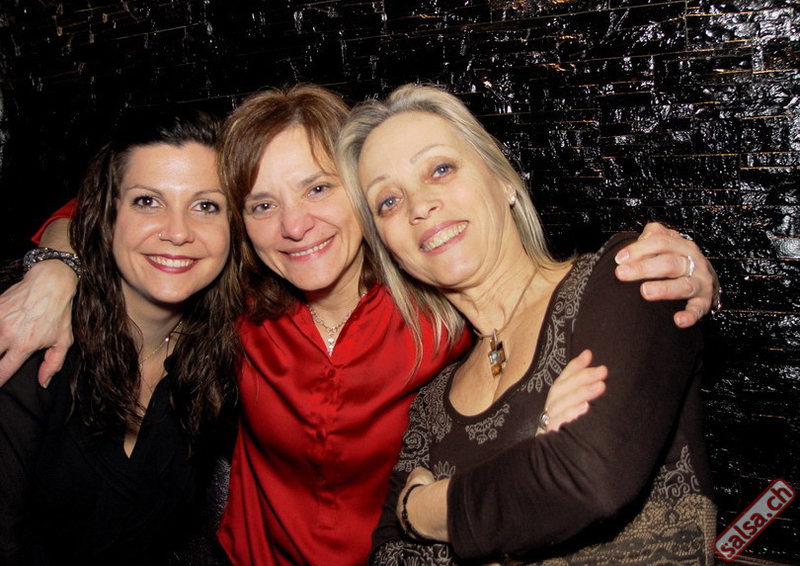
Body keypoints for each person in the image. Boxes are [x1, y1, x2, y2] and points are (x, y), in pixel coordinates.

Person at [0, 85, 718, 566]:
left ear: (360, 199)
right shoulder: (233, 311)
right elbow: (139, 214)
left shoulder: (438, 312)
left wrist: (683, 268)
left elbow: (530, 299)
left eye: (319, 188)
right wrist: (55, 265)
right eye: (261, 205)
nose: (294, 225)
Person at [337, 84, 717, 565]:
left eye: (440, 169)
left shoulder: (622, 277)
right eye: (388, 201)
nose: (418, 206)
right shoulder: (430, 404)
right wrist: (534, 469)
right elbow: (389, 557)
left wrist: (421, 510)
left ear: (504, 183)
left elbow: (588, 480)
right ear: (388, 248)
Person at [0, 108, 242, 565]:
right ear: (107, 216)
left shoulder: (216, 360)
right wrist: (56, 264)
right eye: (147, 201)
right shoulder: (30, 340)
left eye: (206, 206)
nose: (177, 232)